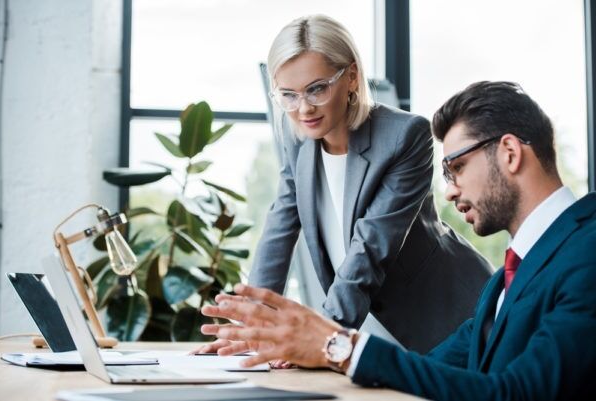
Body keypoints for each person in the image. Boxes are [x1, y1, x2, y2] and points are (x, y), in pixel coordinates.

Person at [199, 81, 596, 400]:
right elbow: (430, 372)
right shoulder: (502, 284)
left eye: (457, 167)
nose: (451, 191)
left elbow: (517, 393)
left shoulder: (588, 251)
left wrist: (338, 345)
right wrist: (307, 348)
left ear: (509, 153)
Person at [197, 14, 492, 357]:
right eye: (288, 95)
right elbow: (279, 230)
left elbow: (370, 250)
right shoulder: (298, 139)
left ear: (351, 76)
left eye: (317, 89)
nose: (303, 108)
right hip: (362, 329)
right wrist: (251, 329)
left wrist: (316, 341)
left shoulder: (404, 136)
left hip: (443, 322)